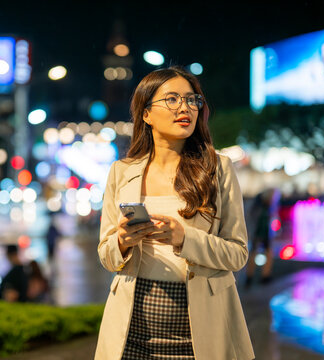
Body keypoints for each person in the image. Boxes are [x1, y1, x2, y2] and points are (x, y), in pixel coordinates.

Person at [95, 66, 254, 360]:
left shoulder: (218, 168)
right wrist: (122, 241)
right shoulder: (122, 171)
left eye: (192, 100)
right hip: (131, 331)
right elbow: (106, 256)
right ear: (146, 114)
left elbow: (238, 254)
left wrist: (185, 238)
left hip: (200, 331)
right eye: (172, 99)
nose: (185, 108)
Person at [245, 188, 281, 286]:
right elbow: (250, 219)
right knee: (253, 253)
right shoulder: (256, 205)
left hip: (266, 233)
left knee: (268, 253)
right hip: (257, 232)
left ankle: (265, 276)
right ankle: (249, 277)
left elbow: (274, 219)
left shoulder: (271, 206)